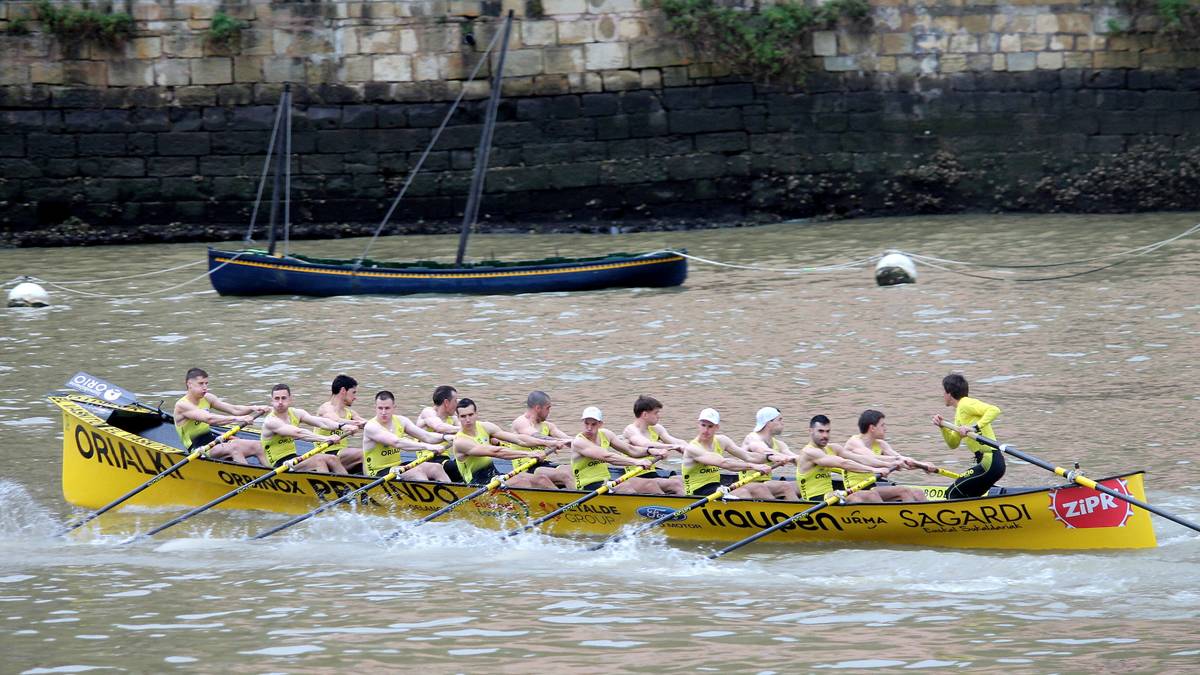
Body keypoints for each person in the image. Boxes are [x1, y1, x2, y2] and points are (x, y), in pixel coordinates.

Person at [452, 398, 567, 488]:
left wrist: (547, 443)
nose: (467, 419)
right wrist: (529, 454)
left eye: (470, 415)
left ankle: (566, 506)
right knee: (524, 483)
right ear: (458, 417)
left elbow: (519, 439)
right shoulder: (461, 441)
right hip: (478, 483)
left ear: (476, 414)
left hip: (494, 475)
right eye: (463, 416)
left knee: (541, 479)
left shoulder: (485, 426)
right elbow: (497, 452)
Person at [172, 367, 269, 465]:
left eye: (206, 383)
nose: (205, 387)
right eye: (201, 383)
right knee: (235, 448)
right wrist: (238, 419)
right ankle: (249, 476)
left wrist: (253, 408)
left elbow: (234, 409)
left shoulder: (207, 398)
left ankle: (275, 476)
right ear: (189, 384)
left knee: (258, 446)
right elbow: (209, 419)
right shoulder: (182, 405)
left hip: (212, 439)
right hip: (198, 448)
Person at [933, 373, 1006, 498]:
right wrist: (943, 427)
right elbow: (953, 444)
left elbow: (994, 410)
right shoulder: (959, 415)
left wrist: (974, 427)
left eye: (943, 392)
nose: (942, 395)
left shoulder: (966, 403)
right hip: (989, 464)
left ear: (949, 393)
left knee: (951, 493)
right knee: (968, 497)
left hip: (990, 461)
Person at [260, 384, 358, 473]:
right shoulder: (271, 421)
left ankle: (350, 488)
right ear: (272, 401)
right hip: (278, 464)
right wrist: (325, 438)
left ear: (290, 399)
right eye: (277, 399)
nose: (280, 402)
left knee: (332, 458)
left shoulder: (296, 413)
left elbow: (321, 421)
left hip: (293, 458)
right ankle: (325, 491)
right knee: (319, 460)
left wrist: (342, 426)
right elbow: (299, 433)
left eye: (283, 398)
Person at [572, 407, 671, 494]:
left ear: (600, 424)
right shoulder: (579, 442)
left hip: (605, 481)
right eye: (586, 423)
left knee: (647, 484)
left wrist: (650, 451)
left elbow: (630, 449)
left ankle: (665, 509)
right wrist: (636, 462)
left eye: (593, 424)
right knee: (625, 487)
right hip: (587, 486)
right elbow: (608, 457)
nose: (589, 428)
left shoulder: (606, 434)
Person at [840, 409, 932, 502]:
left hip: (873, 487)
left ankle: (927, 514)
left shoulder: (881, 444)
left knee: (918, 492)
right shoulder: (854, 442)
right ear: (872, 428)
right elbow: (871, 458)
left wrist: (923, 465)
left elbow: (903, 460)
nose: (885, 428)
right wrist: (895, 461)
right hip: (854, 490)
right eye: (882, 425)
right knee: (902, 491)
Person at [682, 408, 776, 499]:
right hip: (696, 493)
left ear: (717, 427)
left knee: (759, 488)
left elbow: (748, 456)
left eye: (710, 426)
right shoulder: (692, 448)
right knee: (742, 492)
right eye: (703, 425)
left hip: (716, 487)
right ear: (698, 425)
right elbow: (724, 463)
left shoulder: (722, 440)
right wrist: (755, 466)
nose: (706, 430)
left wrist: (770, 458)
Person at [795, 415, 890, 503]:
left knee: (871, 494)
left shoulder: (833, 448)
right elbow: (843, 463)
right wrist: (874, 470)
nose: (825, 435)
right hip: (813, 500)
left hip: (830, 496)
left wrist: (888, 464)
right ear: (810, 431)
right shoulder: (809, 452)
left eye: (828, 431)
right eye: (821, 431)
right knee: (862, 496)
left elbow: (860, 458)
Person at [361, 391, 453, 481]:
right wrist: (428, 446)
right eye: (380, 408)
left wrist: (444, 437)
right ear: (375, 408)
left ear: (394, 408)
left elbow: (426, 436)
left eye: (387, 408)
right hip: (377, 473)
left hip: (396, 466)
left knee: (436, 467)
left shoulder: (401, 421)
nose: (383, 412)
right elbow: (397, 442)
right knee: (416, 472)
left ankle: (454, 494)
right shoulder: (371, 427)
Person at [508, 391, 578, 489]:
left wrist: (585, 444)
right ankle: (571, 501)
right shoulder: (521, 422)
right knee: (565, 475)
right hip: (525, 469)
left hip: (542, 465)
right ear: (538, 408)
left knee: (572, 470)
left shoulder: (548, 426)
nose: (549, 411)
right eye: (548, 408)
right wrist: (555, 442)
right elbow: (535, 436)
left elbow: (567, 439)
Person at [619, 395, 687, 495]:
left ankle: (690, 507)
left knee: (678, 481)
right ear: (645, 414)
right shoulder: (630, 430)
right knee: (651, 485)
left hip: (650, 473)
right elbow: (644, 443)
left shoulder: (657, 428)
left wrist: (692, 449)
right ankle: (668, 507)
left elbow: (675, 441)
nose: (659, 416)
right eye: (656, 413)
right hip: (633, 476)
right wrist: (672, 447)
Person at [741, 407, 803, 500]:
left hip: (766, 483)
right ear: (769, 423)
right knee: (785, 486)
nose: (783, 423)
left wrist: (811, 461)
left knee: (802, 484)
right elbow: (765, 450)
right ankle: (798, 512)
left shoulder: (779, 444)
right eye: (780, 419)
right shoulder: (752, 438)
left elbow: (794, 457)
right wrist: (780, 457)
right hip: (747, 484)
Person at [315, 374, 368, 473]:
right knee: (363, 454)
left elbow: (366, 423)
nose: (355, 397)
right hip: (325, 453)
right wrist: (353, 424)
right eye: (353, 393)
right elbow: (336, 420)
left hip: (341, 454)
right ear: (343, 391)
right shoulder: (326, 408)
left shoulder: (350, 412)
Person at [416, 385, 463, 480]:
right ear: (446, 402)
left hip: (444, 459)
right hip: (428, 460)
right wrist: (464, 430)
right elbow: (439, 427)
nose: (457, 404)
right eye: (455, 401)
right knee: (456, 468)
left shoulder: (453, 418)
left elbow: (466, 430)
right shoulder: (428, 412)